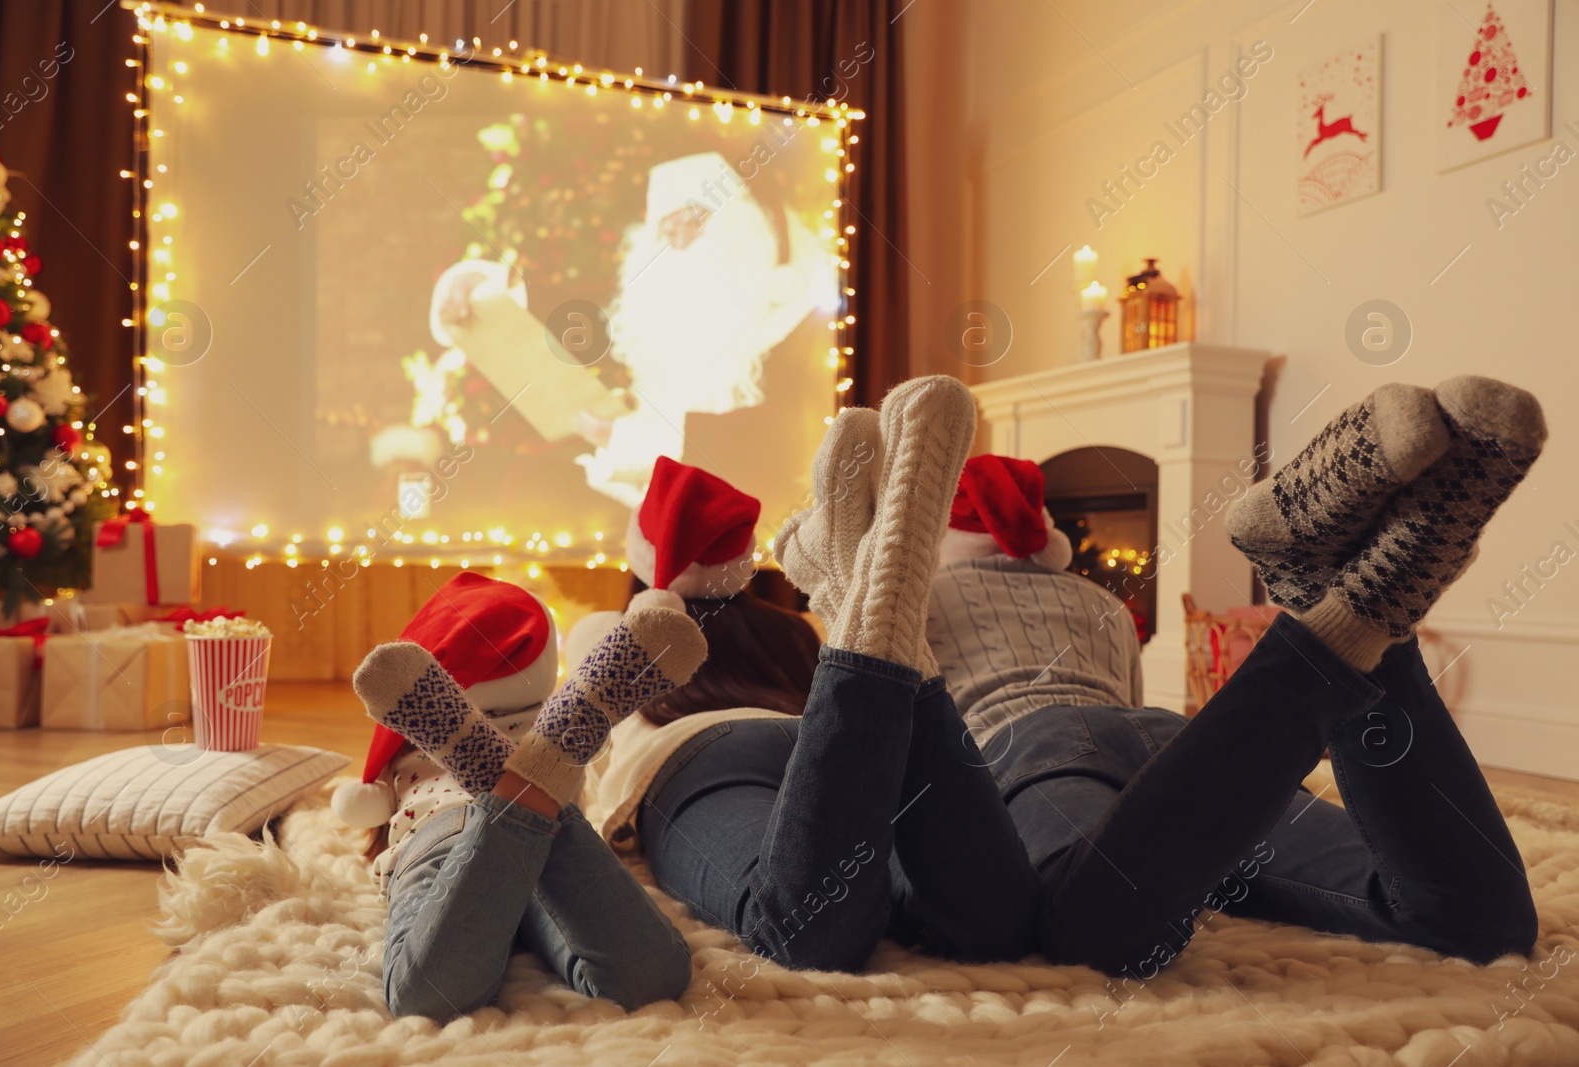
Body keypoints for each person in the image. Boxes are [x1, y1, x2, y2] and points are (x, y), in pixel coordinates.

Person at [925, 377, 1544, 979]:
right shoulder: (1100, 602)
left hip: (1033, 741)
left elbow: (905, 736)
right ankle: (1343, 607)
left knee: (1093, 927)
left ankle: (1330, 611)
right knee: (1470, 922)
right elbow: (1126, 714)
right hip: (1172, 739)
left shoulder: (924, 595)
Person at [580, 380, 1043, 972]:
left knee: (804, 931)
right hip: (813, 750)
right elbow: (841, 721)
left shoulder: (606, 627)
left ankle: (877, 580)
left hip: (695, 760)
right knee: (993, 925)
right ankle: (869, 580)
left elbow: (585, 745)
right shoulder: (795, 630)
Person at [341, 571, 704, 1020]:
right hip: (552, 837)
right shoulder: (544, 720)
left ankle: (494, 770)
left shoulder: (410, 740)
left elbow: (366, 806)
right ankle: (536, 774)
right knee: (652, 979)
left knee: (429, 997)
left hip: (438, 825)